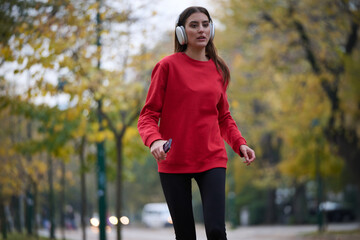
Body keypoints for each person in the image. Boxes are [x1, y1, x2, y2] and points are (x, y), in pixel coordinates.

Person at [137, 6, 256, 240]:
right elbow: (148, 115)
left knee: (215, 231)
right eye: (194, 25)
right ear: (182, 33)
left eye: (205, 24)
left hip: (211, 157)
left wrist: (239, 143)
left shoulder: (219, 69)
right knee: (185, 235)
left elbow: (223, 116)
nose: (201, 29)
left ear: (211, 29)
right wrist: (154, 141)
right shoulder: (167, 67)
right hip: (174, 160)